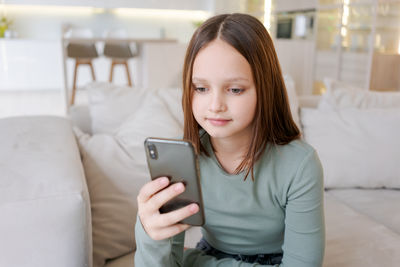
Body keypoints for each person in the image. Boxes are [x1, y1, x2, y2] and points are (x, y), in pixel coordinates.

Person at [135, 13, 325, 266]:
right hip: (209, 251)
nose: (215, 106)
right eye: (201, 89)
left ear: (265, 88)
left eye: (235, 89)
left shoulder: (300, 164)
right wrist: (148, 231)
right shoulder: (181, 159)